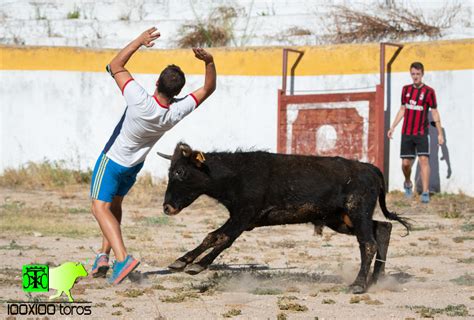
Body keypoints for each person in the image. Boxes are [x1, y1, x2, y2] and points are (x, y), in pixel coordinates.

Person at [89, 27, 216, 284]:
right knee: (114, 206)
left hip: (112, 161)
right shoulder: (175, 112)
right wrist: (209, 62)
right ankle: (103, 255)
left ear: (156, 83)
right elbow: (208, 88)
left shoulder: (139, 99)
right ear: (177, 92)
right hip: (134, 167)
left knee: (98, 207)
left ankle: (123, 258)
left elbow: (115, 64)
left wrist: (139, 40)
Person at [387, 62, 444, 203]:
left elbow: (435, 112)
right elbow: (402, 109)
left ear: (422, 74)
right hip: (407, 132)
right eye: (413, 74)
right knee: (406, 163)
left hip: (422, 133)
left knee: (424, 160)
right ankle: (408, 182)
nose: (415, 77)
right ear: (410, 74)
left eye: (418, 74)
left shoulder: (429, 92)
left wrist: (440, 133)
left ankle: (425, 192)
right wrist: (393, 126)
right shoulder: (405, 89)